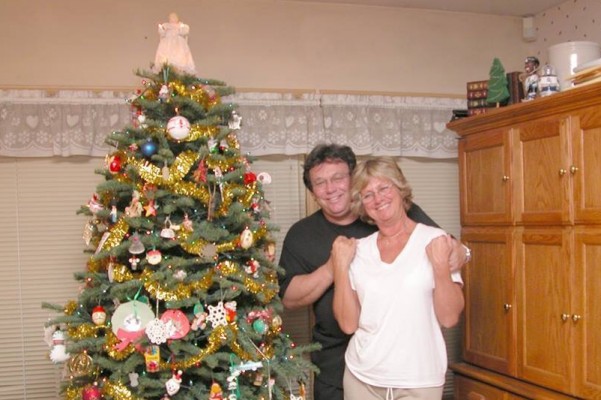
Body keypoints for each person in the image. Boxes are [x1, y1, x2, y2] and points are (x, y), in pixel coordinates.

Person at [278, 144, 468, 400]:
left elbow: (446, 247)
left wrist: (463, 252)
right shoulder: (307, 236)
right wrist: (334, 266)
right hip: (339, 364)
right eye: (320, 183)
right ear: (312, 192)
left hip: (413, 370)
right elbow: (289, 299)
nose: (331, 188)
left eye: (338, 178)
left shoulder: (403, 215)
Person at [331, 156, 464, 400]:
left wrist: (440, 267)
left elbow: (450, 317)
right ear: (362, 204)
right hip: (361, 378)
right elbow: (348, 324)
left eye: (384, 188)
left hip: (419, 381)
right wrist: (340, 267)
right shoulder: (358, 250)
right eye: (368, 194)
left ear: (400, 189)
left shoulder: (435, 240)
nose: (378, 199)